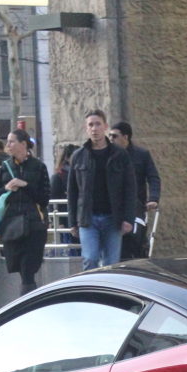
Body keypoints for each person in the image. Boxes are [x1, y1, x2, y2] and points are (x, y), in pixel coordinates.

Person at [67, 110, 136, 271]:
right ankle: (90, 294)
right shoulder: (78, 156)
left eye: (98, 124)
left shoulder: (120, 155)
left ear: (105, 126)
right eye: (90, 125)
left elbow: (130, 188)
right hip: (88, 219)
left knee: (111, 264)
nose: (94, 128)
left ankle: (108, 295)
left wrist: (128, 218)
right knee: (90, 259)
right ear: (86, 128)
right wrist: (72, 222)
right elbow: (72, 191)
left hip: (113, 218)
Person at [0, 129, 51, 294]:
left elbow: (44, 198)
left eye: (11, 142)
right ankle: (31, 301)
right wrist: (6, 188)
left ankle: (26, 303)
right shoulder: (5, 166)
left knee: (28, 268)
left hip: (33, 225)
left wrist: (26, 185)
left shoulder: (38, 166)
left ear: (23, 144)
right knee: (20, 267)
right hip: (12, 225)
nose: (7, 145)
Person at [109, 122, 160, 259]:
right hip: (114, 206)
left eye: (114, 136)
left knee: (135, 237)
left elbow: (153, 177)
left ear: (125, 137)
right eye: (109, 136)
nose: (111, 139)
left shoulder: (141, 155)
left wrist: (153, 199)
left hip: (136, 206)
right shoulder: (108, 156)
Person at [51, 143, 79, 257]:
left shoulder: (83, 174)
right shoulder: (58, 177)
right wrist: (58, 223)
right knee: (72, 250)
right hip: (66, 220)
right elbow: (53, 200)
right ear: (67, 158)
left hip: (81, 219)